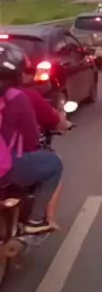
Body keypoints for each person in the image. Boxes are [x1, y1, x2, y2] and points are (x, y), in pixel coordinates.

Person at [0, 44, 64, 235]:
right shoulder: (18, 97)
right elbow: (30, 139)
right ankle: (36, 220)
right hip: (5, 165)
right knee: (54, 164)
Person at [19, 56, 72, 230]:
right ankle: (39, 219)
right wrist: (64, 123)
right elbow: (55, 121)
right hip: (12, 160)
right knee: (54, 165)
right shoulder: (26, 96)